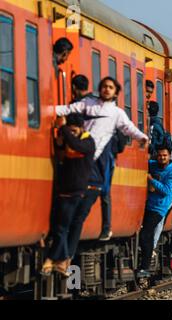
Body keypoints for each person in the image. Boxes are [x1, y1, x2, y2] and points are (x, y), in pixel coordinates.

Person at [56, 77, 149, 242]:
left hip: (99, 155)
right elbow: (68, 109)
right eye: (104, 86)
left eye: (110, 87)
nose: (106, 89)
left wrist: (142, 137)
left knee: (103, 189)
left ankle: (106, 227)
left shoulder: (117, 113)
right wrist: (47, 110)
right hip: (84, 152)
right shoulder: (89, 103)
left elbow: (129, 128)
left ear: (115, 92)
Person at [41, 113, 95, 277]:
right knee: (60, 227)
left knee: (62, 227)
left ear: (80, 129)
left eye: (73, 131)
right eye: (69, 130)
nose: (71, 133)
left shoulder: (88, 142)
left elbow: (76, 145)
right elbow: (60, 150)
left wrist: (63, 128)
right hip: (63, 190)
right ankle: (61, 260)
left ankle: (55, 259)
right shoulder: (69, 139)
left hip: (76, 191)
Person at [136, 144, 172, 279]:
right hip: (147, 204)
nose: (162, 158)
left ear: (170, 156)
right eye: (160, 155)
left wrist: (152, 181)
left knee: (145, 235)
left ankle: (145, 267)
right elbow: (144, 161)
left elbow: (167, 190)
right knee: (144, 235)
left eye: (164, 155)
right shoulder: (153, 164)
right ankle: (144, 264)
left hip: (159, 208)